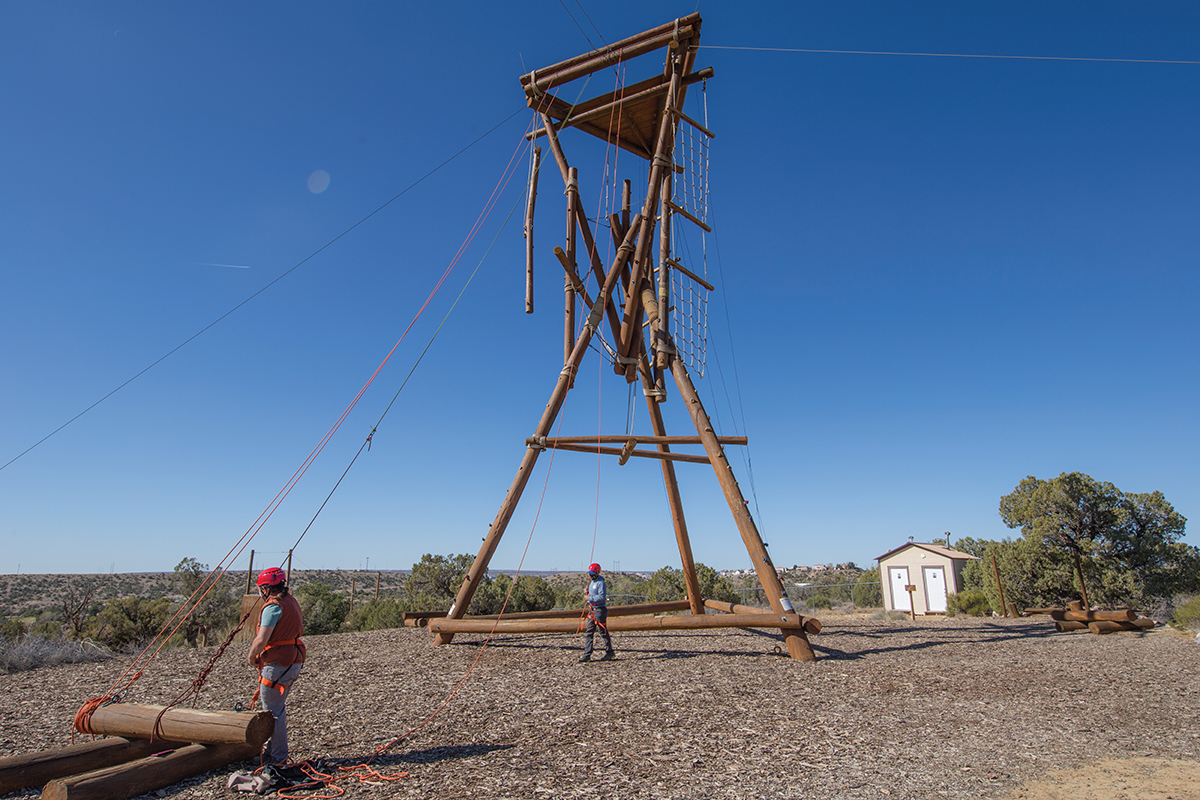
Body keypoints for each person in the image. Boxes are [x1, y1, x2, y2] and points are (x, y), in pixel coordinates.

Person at [248, 567, 306, 764]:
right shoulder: (291, 601)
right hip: (294, 660)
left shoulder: (273, 607)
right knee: (276, 708)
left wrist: (251, 656)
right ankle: (272, 753)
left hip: (278, 663)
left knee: (273, 712)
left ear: (266, 588)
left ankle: (278, 758)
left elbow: (261, 639)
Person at [579, 563, 614, 662]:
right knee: (589, 632)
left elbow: (601, 597)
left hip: (599, 610)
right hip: (592, 610)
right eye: (590, 573)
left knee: (603, 632)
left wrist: (589, 598)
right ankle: (587, 655)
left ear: (598, 572)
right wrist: (587, 593)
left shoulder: (601, 583)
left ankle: (610, 652)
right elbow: (592, 596)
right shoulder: (592, 582)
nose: (590, 576)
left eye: (592, 573)